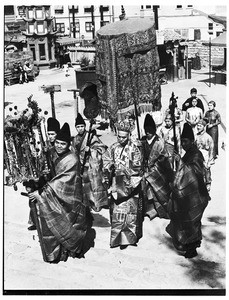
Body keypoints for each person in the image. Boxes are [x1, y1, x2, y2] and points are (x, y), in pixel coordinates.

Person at [27, 123, 88, 263]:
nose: (59, 146)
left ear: (68, 144)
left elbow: (62, 182)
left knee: (68, 223)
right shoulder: (54, 154)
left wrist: (41, 192)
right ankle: (58, 253)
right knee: (54, 222)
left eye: (63, 143)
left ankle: (69, 251)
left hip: (70, 195)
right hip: (57, 194)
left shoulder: (72, 159)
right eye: (58, 143)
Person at [166, 123, 210, 258]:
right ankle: (185, 243)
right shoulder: (188, 153)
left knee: (193, 220)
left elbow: (193, 172)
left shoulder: (196, 155)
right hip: (187, 194)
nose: (183, 144)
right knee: (185, 219)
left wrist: (180, 162)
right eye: (182, 141)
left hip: (196, 194)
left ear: (192, 141)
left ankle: (192, 247)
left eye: (186, 141)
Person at [103, 120, 143, 249]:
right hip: (116, 184)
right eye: (119, 136)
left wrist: (123, 170)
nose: (121, 139)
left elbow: (137, 167)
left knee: (130, 214)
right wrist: (110, 167)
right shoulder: (113, 147)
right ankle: (116, 239)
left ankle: (129, 238)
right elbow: (106, 160)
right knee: (117, 213)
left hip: (129, 185)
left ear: (129, 136)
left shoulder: (135, 149)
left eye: (124, 137)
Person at [72, 113, 108, 211]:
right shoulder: (75, 139)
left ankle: (96, 203)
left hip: (91, 165)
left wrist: (91, 150)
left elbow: (102, 147)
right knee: (84, 185)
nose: (80, 128)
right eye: (78, 127)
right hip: (81, 165)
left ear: (85, 126)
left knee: (94, 184)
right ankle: (86, 203)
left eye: (82, 126)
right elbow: (73, 152)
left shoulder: (90, 136)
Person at [141, 114, 174, 220]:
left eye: (150, 130)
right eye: (146, 130)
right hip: (144, 168)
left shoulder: (160, 142)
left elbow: (164, 158)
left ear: (154, 130)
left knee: (157, 190)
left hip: (157, 168)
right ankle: (147, 210)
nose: (148, 132)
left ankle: (159, 210)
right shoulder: (142, 141)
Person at [195, 119, 214, 191]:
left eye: (200, 126)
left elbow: (211, 150)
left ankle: (208, 183)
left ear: (204, 126)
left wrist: (210, 160)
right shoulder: (196, 136)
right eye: (198, 125)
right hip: (197, 155)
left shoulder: (208, 137)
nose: (198, 127)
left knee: (206, 169)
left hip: (205, 155)